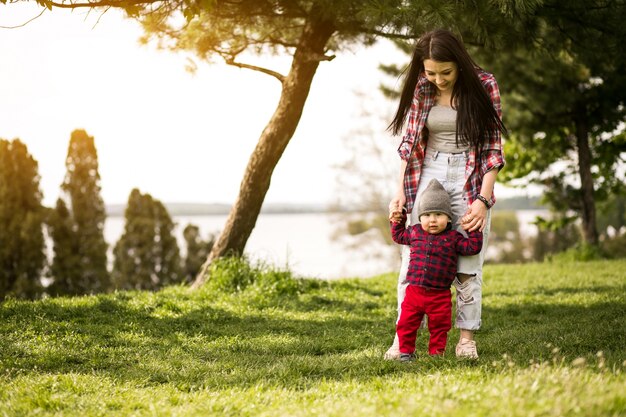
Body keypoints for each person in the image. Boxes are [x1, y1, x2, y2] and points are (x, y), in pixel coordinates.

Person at [385, 29, 507, 360]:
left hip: (470, 175)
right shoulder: (422, 87)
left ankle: (466, 338)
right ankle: (403, 340)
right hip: (428, 174)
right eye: (431, 71)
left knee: (468, 263)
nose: (438, 79)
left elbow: (493, 149)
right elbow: (408, 144)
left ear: (460, 64)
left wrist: (483, 200)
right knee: (413, 261)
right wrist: (400, 192)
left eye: (446, 72)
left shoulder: (484, 85)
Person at [390, 179, 482, 361]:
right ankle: (406, 352)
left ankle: (436, 354)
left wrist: (473, 230)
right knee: (406, 323)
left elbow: (472, 248)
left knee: (440, 326)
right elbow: (398, 235)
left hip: (439, 295)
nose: (432, 220)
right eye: (427, 215)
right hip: (414, 291)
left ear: (448, 218)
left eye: (439, 214)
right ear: (420, 218)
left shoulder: (453, 238)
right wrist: (397, 220)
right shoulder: (415, 232)